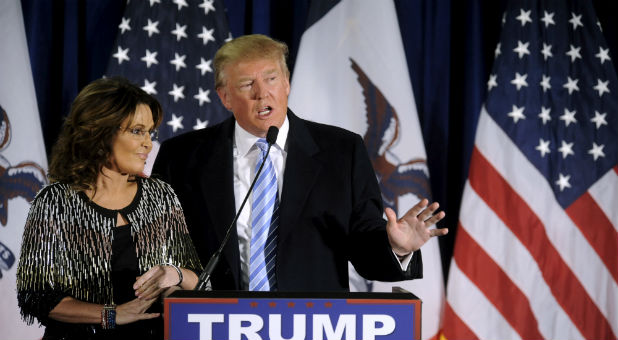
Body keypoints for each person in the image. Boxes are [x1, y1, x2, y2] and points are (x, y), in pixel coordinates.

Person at [153, 34, 447, 292]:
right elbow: (161, 245)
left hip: (312, 324)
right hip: (214, 324)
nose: (262, 93)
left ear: (287, 83)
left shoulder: (342, 152)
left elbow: (364, 248)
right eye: (247, 84)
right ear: (225, 97)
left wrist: (396, 247)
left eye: (271, 79)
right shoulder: (182, 157)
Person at [16, 77, 202, 339]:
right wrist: (112, 313)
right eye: (137, 131)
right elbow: (36, 296)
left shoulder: (160, 196)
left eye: (150, 132)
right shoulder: (55, 202)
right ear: (99, 132)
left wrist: (175, 274)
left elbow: (199, 280)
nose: (148, 143)